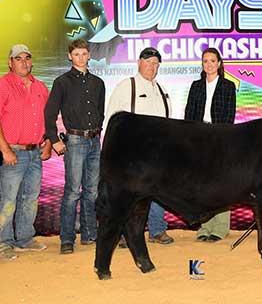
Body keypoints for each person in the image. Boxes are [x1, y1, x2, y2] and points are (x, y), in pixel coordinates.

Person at [106, 47, 174, 246]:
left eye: (155, 63)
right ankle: (123, 233)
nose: (152, 67)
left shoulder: (161, 89)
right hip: (133, 151)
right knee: (129, 194)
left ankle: (157, 230)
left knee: (158, 192)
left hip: (159, 151)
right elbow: (112, 118)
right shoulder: (126, 86)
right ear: (138, 62)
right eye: (148, 62)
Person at [44, 39, 105, 254]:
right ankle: (67, 239)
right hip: (75, 140)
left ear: (89, 55)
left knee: (92, 191)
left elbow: (101, 112)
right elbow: (49, 114)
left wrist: (97, 133)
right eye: (76, 54)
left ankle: (90, 234)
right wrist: (55, 139)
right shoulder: (62, 82)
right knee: (72, 191)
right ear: (70, 56)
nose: (81, 57)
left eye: (84, 53)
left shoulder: (98, 83)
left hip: (94, 140)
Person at [0, 44, 51, 260]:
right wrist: (5, 149)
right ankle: (3, 242)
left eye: (27, 58)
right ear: (10, 63)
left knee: (30, 197)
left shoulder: (40, 87)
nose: (23, 62)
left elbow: (48, 118)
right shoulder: (3, 85)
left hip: (34, 152)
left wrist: (48, 142)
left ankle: (25, 238)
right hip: (14, 151)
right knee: (9, 199)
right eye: (18, 58)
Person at [184, 47, 236, 242]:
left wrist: (221, 138)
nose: (209, 64)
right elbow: (189, 114)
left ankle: (221, 228)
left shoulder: (228, 86)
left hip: (220, 139)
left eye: (212, 61)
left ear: (219, 64)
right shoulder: (196, 86)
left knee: (222, 184)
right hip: (198, 139)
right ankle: (205, 227)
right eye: (205, 61)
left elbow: (229, 116)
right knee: (202, 185)